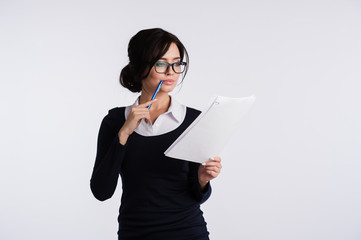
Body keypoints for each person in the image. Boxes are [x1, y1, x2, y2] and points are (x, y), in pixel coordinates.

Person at [90, 28, 222, 240]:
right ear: (141, 66)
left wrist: (202, 180)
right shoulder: (115, 121)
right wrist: (124, 133)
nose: (171, 72)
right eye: (161, 63)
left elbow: (196, 196)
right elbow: (101, 191)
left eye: (177, 63)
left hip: (188, 232)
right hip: (135, 233)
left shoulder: (194, 120)